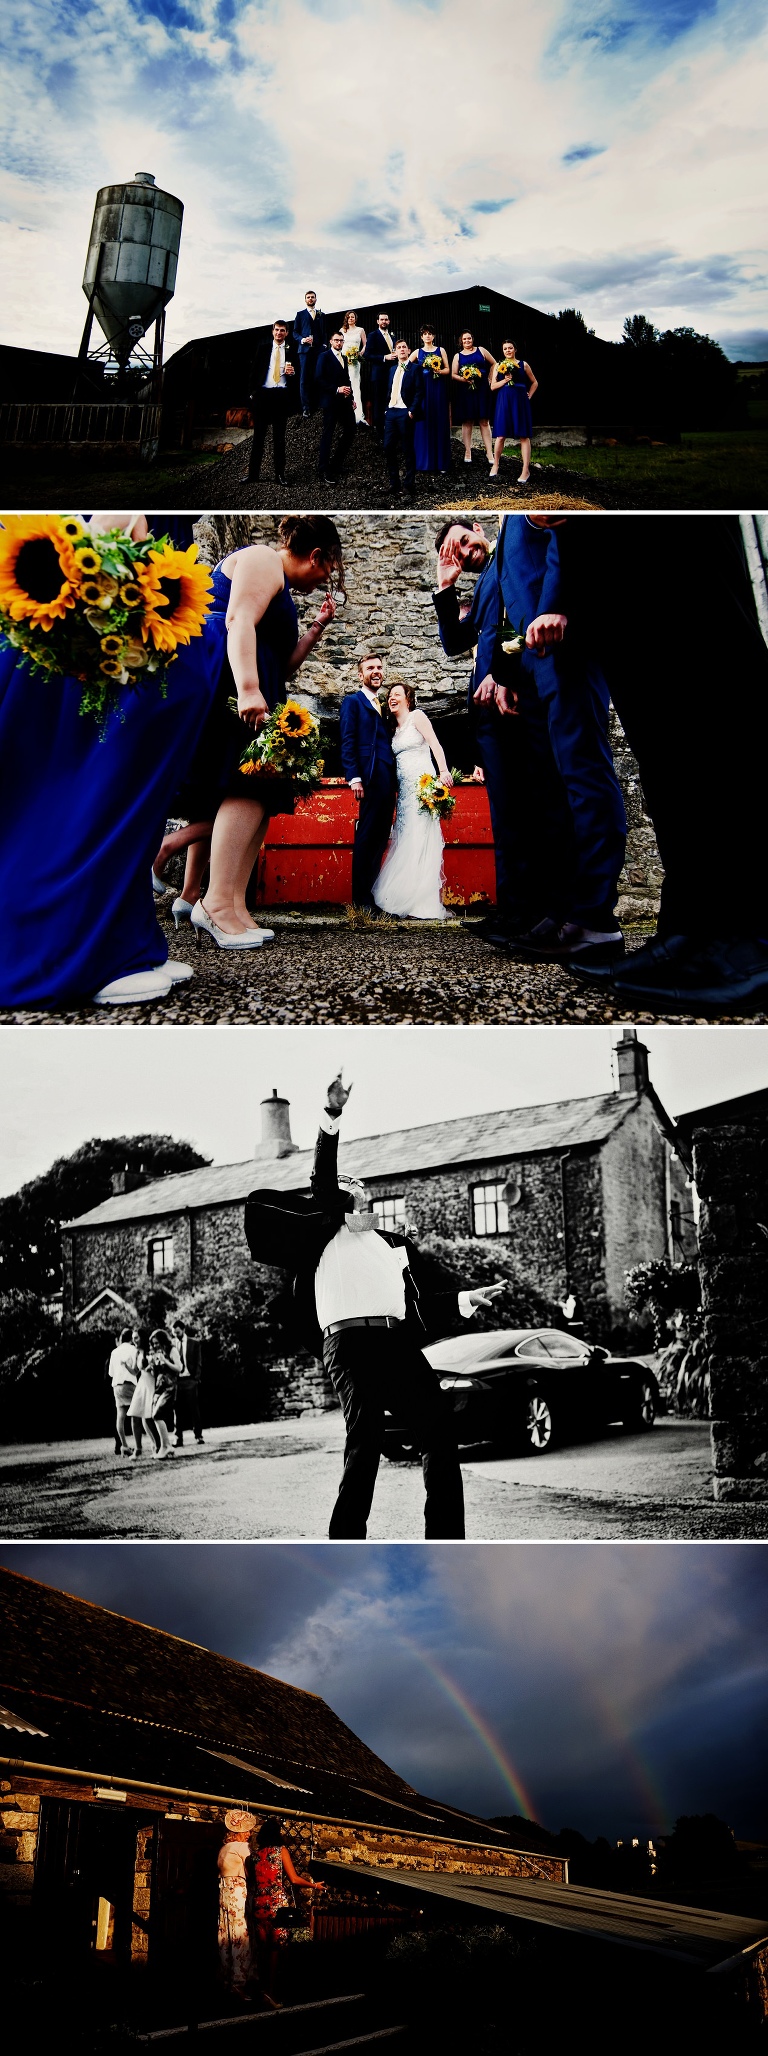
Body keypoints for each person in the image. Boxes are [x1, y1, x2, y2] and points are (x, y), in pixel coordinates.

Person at [244, 1072, 503, 1538]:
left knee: (439, 1432)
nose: (351, 1186)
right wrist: (331, 1115)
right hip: (350, 1343)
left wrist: (464, 1298)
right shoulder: (325, 1234)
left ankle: (445, 1538)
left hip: (395, 1344)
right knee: (366, 1439)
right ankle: (345, 1539)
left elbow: (416, 1304)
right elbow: (324, 1177)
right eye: (344, 1184)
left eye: (356, 1183)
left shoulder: (391, 1246)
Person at [0, 513, 222, 1009]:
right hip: (89, 615)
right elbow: (112, 524)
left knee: (127, 802)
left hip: (139, 610)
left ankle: (128, 942)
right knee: (90, 794)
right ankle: (77, 949)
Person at [557, 515, 768, 1010]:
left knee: (712, 678)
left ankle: (752, 931)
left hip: (661, 530)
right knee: (659, 733)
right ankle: (692, 925)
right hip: (598, 547)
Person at [185, 517, 344, 949]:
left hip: (260, 682)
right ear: (316, 556)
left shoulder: (284, 588)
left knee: (262, 795)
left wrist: (315, 630)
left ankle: (233, 903)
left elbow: (283, 662)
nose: (325, 579)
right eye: (329, 568)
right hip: (233, 681)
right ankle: (214, 904)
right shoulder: (261, 559)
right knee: (246, 787)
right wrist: (249, 689)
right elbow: (237, 621)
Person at [488, 514, 627, 966]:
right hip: (531, 658)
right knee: (551, 789)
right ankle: (563, 908)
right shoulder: (507, 520)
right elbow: (512, 591)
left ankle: (595, 916)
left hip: (562, 636)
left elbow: (569, 532)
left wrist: (558, 601)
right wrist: (508, 673)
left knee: (582, 772)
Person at [432, 518, 578, 946]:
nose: (462, 552)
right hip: (486, 712)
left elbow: (520, 614)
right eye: (454, 553)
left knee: (536, 803)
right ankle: (514, 909)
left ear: (478, 527)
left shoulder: (510, 559)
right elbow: (455, 642)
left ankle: (546, 910)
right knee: (506, 813)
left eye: (462, 540)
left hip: (515, 693)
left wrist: (503, 672)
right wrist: (445, 588)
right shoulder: (481, 586)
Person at [372, 683, 452, 920]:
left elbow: (435, 744)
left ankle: (422, 902)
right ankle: (403, 896)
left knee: (422, 838)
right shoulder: (393, 730)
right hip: (405, 794)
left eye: (397, 694)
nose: (391, 698)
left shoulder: (418, 717)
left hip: (423, 787)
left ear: (408, 699)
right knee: (405, 837)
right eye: (389, 696)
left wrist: (444, 771)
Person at [339, 654, 397, 909]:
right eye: (370, 668)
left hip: (387, 781)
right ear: (360, 675)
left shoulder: (384, 705)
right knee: (367, 837)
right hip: (369, 777)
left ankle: (371, 897)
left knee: (380, 837)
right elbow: (348, 739)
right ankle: (361, 901)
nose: (376, 671)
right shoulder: (353, 702)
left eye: (380, 668)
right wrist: (354, 777)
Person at [249, 1819, 319, 2007]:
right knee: (276, 1949)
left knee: (262, 1949)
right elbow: (294, 1879)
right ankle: (270, 1993)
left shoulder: (254, 1856)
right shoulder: (281, 1852)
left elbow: (252, 1882)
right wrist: (314, 1885)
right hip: (276, 1904)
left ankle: (261, 1990)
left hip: (258, 1903)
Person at [246, 322, 300, 485]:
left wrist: (293, 373)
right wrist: (252, 394)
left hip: (281, 396)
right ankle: (253, 474)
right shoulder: (263, 349)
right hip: (263, 396)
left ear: (287, 333)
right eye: (276, 330)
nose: (279, 333)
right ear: (272, 331)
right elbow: (254, 372)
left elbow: (298, 375)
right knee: (258, 438)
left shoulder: (291, 350)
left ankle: (280, 475)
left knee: (279, 438)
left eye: (282, 330)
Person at [218, 1810, 259, 2003]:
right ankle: (239, 1981)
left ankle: (226, 1978)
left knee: (226, 1934)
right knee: (240, 1934)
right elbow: (252, 1871)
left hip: (224, 1891)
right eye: (246, 1831)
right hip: (237, 1891)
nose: (249, 1834)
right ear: (238, 1832)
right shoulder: (242, 1847)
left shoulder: (224, 1849)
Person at [489, 340, 538, 486]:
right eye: (505, 348)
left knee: (524, 435)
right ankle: (495, 464)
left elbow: (535, 382)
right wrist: (505, 380)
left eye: (510, 348)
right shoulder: (498, 365)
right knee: (501, 434)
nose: (508, 350)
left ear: (515, 349)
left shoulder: (524, 364)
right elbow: (492, 386)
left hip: (520, 402)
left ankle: (525, 470)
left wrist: (529, 394)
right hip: (504, 401)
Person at [382, 341, 422, 502]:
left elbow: (420, 391)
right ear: (395, 352)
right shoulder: (392, 369)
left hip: (405, 412)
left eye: (404, 347)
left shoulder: (415, 369)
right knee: (388, 447)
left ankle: (409, 484)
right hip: (391, 412)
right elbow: (389, 390)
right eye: (398, 348)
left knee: (407, 448)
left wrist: (412, 411)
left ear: (409, 350)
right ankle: (394, 483)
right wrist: (386, 409)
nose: (402, 350)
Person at [314, 334, 358, 482]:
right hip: (330, 401)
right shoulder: (324, 357)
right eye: (336, 340)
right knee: (328, 434)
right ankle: (323, 469)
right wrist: (336, 389)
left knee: (351, 430)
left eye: (341, 341)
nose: (339, 343)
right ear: (331, 341)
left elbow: (347, 379)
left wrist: (351, 398)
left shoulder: (344, 358)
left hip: (345, 402)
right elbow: (318, 379)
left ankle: (336, 464)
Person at [410, 327, 452, 475]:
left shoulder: (441, 350)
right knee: (423, 423)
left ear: (433, 336)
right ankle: (423, 462)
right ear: (421, 337)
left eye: (430, 334)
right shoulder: (417, 352)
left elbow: (448, 369)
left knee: (439, 422)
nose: (427, 336)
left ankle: (441, 463)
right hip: (423, 390)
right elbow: (407, 368)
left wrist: (438, 371)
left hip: (438, 389)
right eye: (425, 334)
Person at [451, 330, 496, 467]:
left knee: (484, 420)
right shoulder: (457, 356)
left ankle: (489, 452)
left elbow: (495, 364)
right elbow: (453, 374)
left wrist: (490, 378)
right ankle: (467, 451)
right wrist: (464, 379)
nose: (467, 341)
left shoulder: (481, 350)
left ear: (472, 339)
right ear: (461, 341)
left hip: (482, 389)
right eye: (464, 339)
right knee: (468, 421)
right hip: (466, 391)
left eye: (469, 338)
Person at [127, 1339, 174, 1458]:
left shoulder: (151, 1351)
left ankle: (160, 1446)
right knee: (137, 1415)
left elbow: (158, 1369)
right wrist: (125, 1365)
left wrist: (151, 1367)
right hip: (142, 1383)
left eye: (137, 1338)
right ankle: (145, 1448)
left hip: (151, 1383)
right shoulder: (137, 1352)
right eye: (133, 1338)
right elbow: (135, 1371)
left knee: (148, 1417)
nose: (134, 1340)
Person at [292, 292, 327, 416]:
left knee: (318, 376)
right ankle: (305, 407)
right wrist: (302, 340)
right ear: (305, 300)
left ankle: (319, 405)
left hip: (318, 351)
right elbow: (295, 332)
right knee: (304, 378)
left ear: (316, 299)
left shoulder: (321, 315)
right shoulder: (300, 314)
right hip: (305, 351)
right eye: (308, 297)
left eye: (312, 297)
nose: (310, 299)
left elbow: (324, 331)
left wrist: (324, 345)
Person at [170, 1318, 204, 1445]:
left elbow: (198, 1362)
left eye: (178, 1332)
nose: (176, 1335)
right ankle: (178, 1437)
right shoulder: (172, 1344)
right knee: (177, 1409)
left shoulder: (194, 1343)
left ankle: (198, 1435)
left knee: (194, 1409)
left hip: (190, 1379)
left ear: (183, 1330)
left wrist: (196, 1379)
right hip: (177, 1380)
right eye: (174, 1333)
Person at [107, 1326, 139, 1455]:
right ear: (131, 1338)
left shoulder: (114, 1352)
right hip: (129, 1383)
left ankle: (124, 1445)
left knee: (120, 1416)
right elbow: (136, 1369)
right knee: (135, 1414)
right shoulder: (133, 1349)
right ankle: (138, 1445)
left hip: (117, 1385)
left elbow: (111, 1373)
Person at [364, 313, 398, 435]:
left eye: (386, 319)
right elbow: (367, 355)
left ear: (389, 321)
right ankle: (379, 433)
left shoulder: (392, 336)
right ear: (378, 321)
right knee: (379, 404)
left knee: (390, 402)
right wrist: (384, 357)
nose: (384, 321)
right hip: (379, 375)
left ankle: (390, 430)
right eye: (382, 319)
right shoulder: (373, 335)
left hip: (392, 374)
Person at [340, 312, 368, 425]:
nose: (350, 318)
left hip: (355, 361)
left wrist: (361, 352)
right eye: (348, 317)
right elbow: (339, 344)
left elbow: (366, 344)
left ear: (355, 319)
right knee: (344, 384)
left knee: (355, 385)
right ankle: (344, 413)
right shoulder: (342, 330)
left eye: (352, 317)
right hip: (344, 360)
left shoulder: (360, 330)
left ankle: (358, 414)